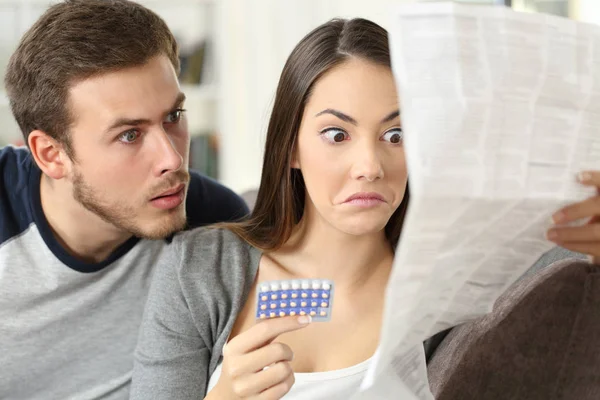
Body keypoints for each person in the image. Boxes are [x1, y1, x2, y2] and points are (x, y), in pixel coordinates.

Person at [131, 16, 600, 400]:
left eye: (395, 135)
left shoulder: (466, 269)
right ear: (291, 147)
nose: (371, 166)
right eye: (337, 135)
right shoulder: (200, 271)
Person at [0, 1, 247, 399]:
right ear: (50, 154)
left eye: (173, 116)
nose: (172, 159)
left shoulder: (215, 224)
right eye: (129, 135)